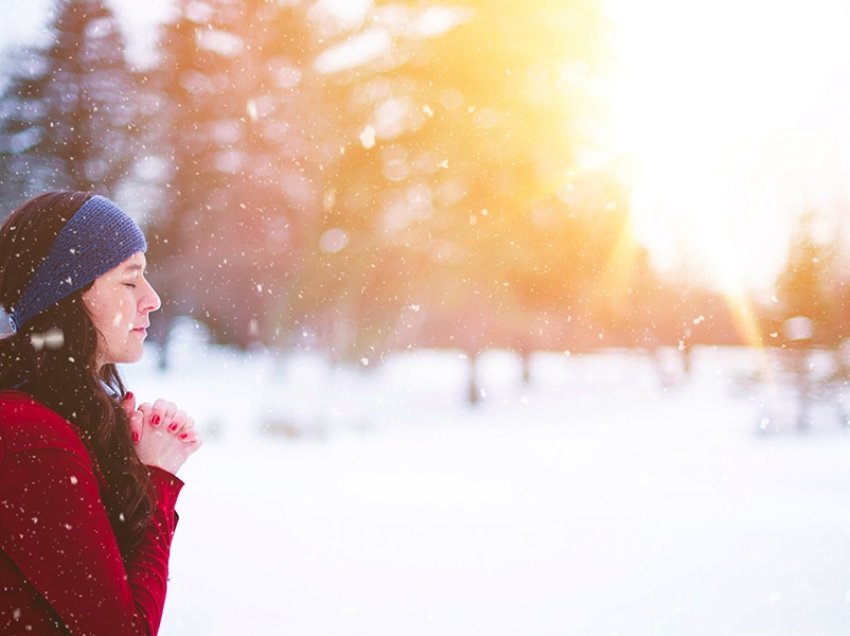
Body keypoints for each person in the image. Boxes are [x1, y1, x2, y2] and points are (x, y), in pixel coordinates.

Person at [0, 192, 202, 634]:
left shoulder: (64, 419)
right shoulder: (29, 435)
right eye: (130, 282)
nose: (152, 300)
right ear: (69, 295)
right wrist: (158, 476)